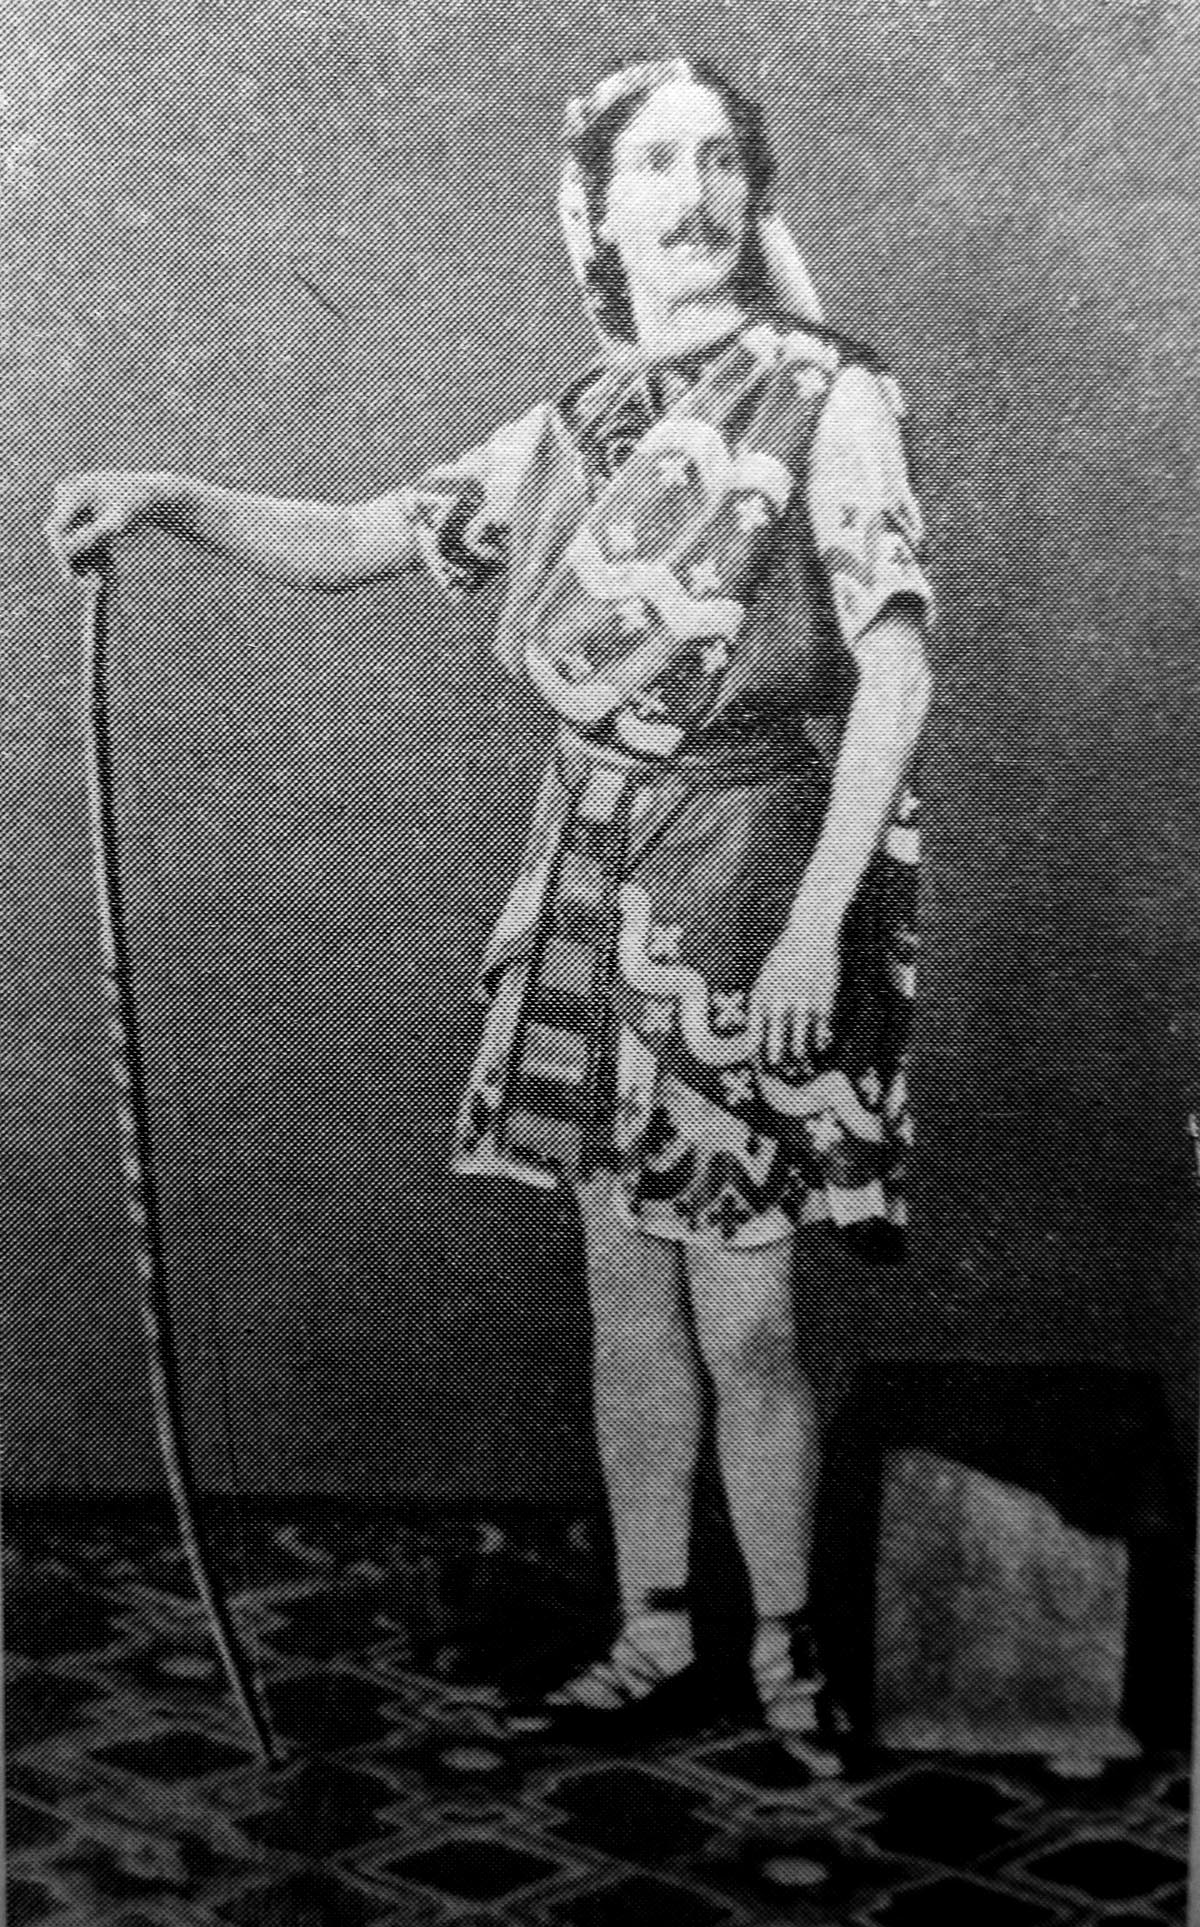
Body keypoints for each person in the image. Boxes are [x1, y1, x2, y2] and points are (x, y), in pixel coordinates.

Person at [49, 55, 933, 1774]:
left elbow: (896, 673)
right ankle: (655, 1628)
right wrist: (169, 500)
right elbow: (362, 534)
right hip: (589, 873)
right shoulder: (574, 428)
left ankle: (786, 1649)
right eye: (657, 163)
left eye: (722, 161)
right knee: (626, 1299)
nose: (695, 193)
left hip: (749, 876)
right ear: (596, 208)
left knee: (750, 1318)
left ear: (753, 193)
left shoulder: (826, 398)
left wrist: (818, 921)